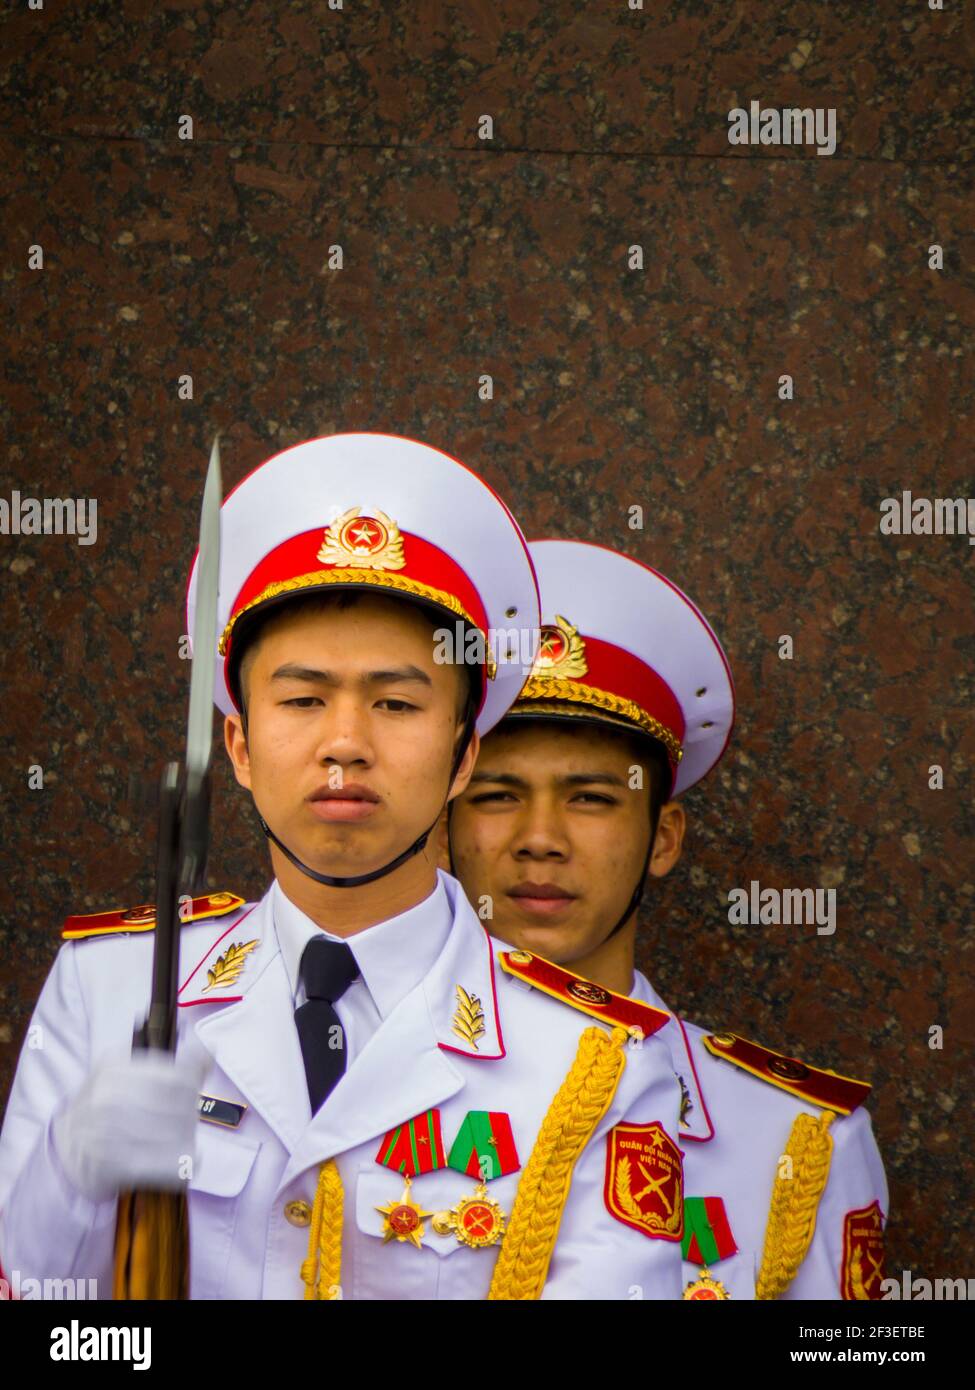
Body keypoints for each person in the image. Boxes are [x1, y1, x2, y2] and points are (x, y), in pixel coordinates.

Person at [0, 435, 687, 1301]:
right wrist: (64, 1178)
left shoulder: (596, 1062)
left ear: (464, 754)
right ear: (241, 747)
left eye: (397, 702)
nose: (345, 744)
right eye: (303, 698)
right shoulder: (110, 987)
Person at [445, 537, 889, 1300]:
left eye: (590, 798)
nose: (539, 839)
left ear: (663, 838)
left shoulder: (793, 1139)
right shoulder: (352, 1072)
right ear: (442, 824)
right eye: (496, 795)